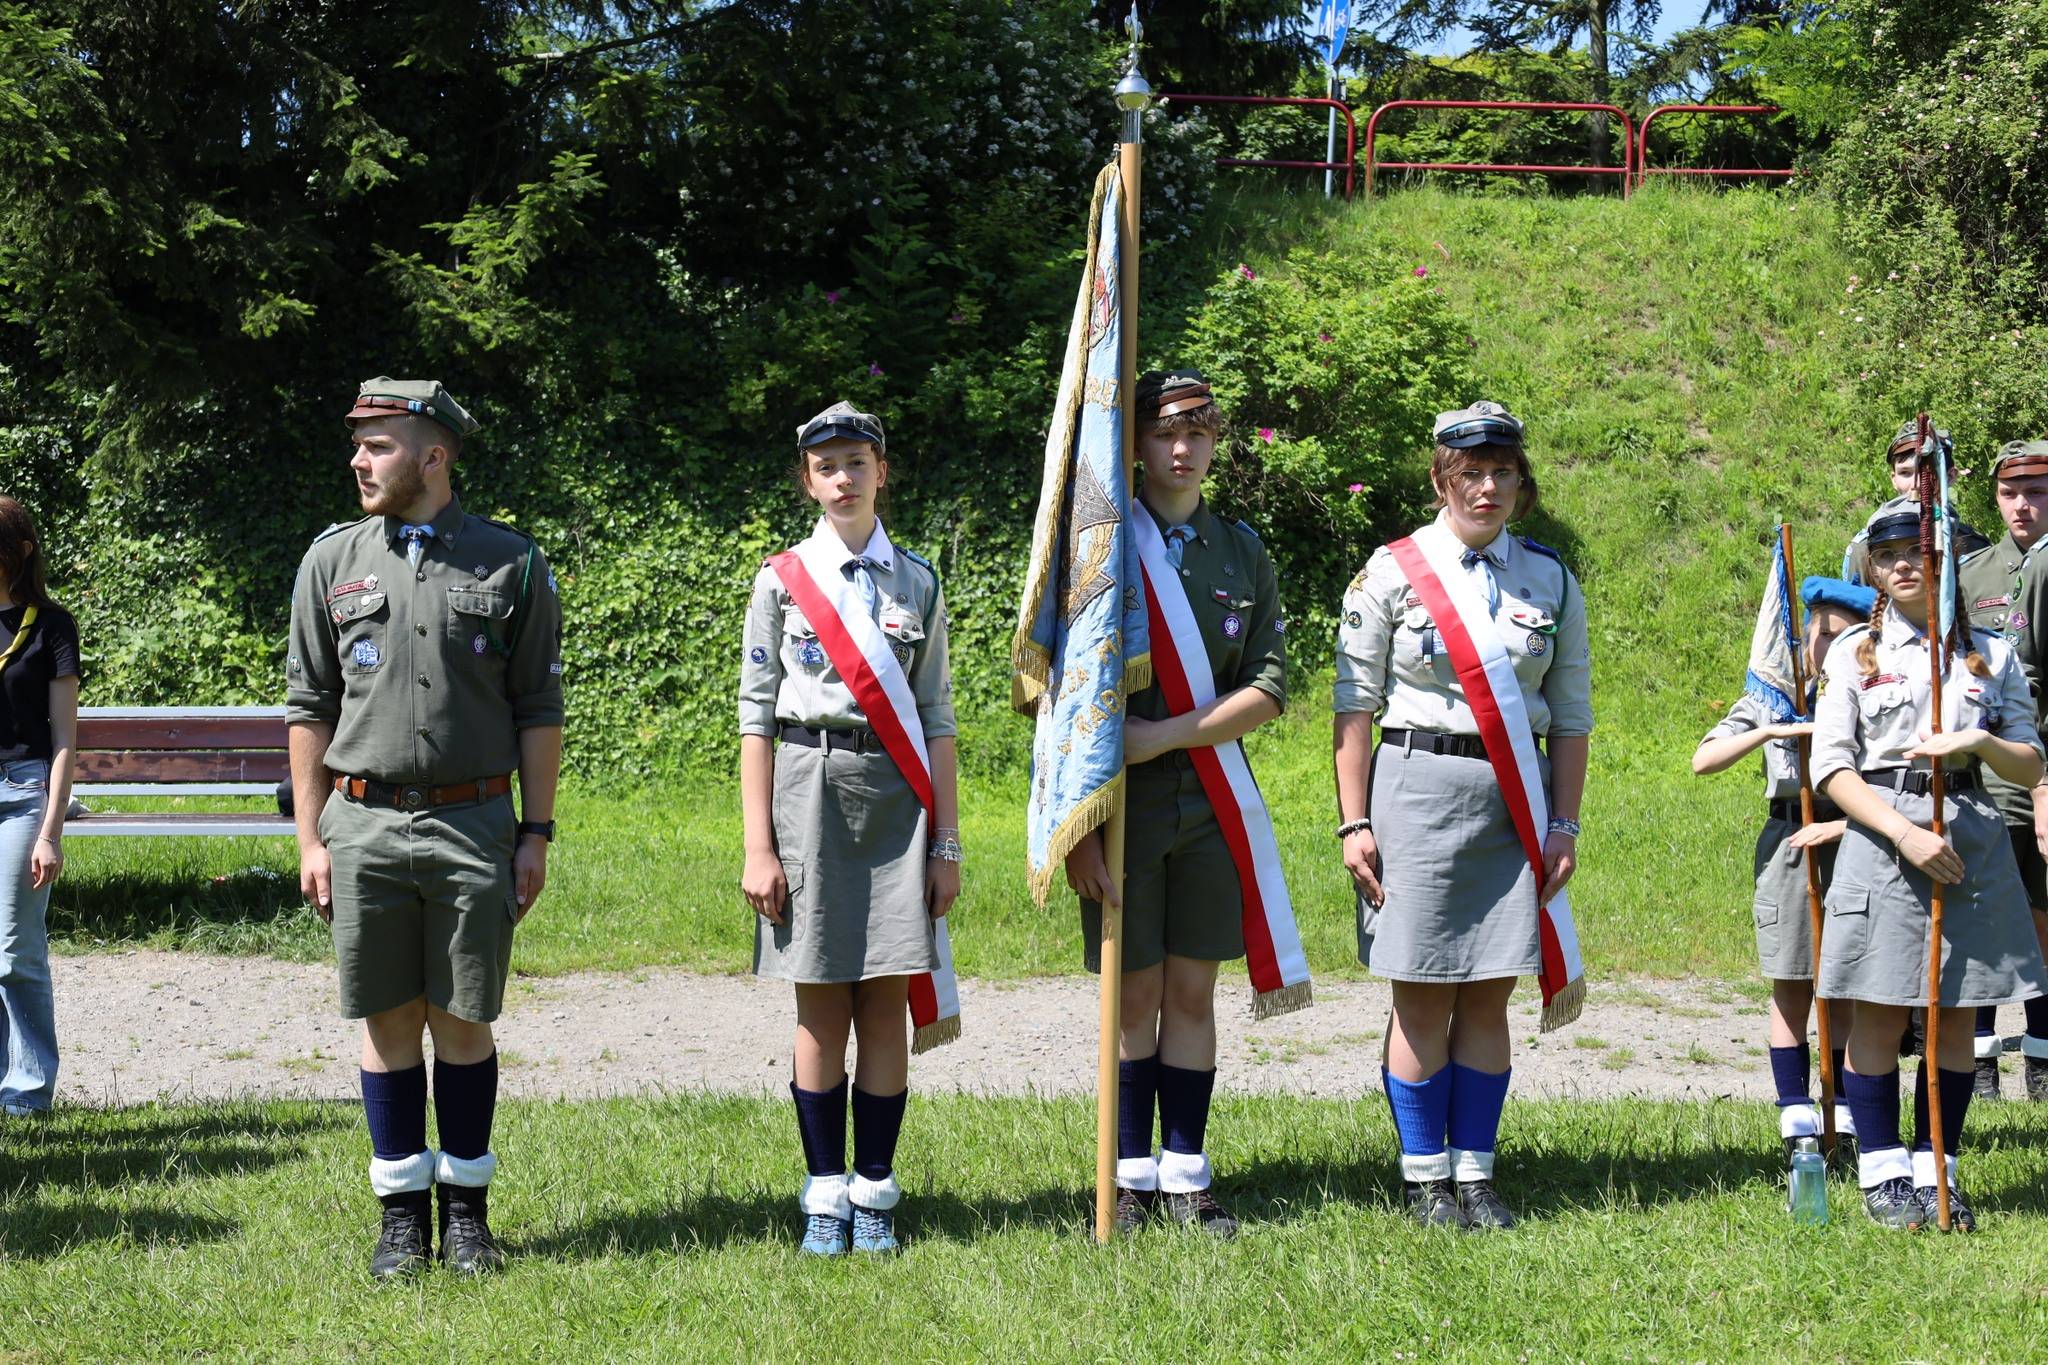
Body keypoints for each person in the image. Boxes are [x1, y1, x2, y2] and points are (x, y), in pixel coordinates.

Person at [286, 378, 564, 1278]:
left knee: (464, 1017)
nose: (358, 460)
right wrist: (311, 839)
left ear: (434, 454)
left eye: (378, 445)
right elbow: (309, 706)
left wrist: (536, 831)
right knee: (388, 1018)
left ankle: (468, 1217)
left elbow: (538, 706)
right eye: (357, 442)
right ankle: (401, 1217)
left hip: (473, 823)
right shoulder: (330, 561)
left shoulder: (510, 562)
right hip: (362, 824)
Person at [1333, 400, 1591, 1230]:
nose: (1487, 488)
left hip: (1512, 803)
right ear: (1441, 479)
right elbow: (1353, 706)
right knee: (1420, 993)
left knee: (1487, 994)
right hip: (1414, 794)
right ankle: (1424, 1180)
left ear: (1521, 481)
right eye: (1470, 473)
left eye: (1502, 473)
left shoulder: (1549, 577)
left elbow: (1571, 715)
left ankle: (1475, 1174)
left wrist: (1563, 823)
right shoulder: (1391, 571)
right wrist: (1354, 822)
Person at [1062, 370, 1292, 1240]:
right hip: (1122, 806)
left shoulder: (1241, 552)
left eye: (1197, 432)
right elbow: (1066, 702)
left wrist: (1162, 736)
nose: (1182, 449)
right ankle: (1127, 1177)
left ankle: (1187, 1174)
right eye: (1164, 433)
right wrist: (1079, 829)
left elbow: (1267, 687)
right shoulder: (1102, 548)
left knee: (1193, 991)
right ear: (1136, 446)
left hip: (1213, 800)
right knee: (1134, 995)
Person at [738, 401, 961, 1257]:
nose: (843, 479)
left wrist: (946, 843)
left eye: (857, 463)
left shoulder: (918, 583)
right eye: (826, 466)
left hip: (898, 799)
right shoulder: (781, 581)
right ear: (808, 481)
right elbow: (756, 718)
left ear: (881, 471)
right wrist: (759, 846)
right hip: (808, 790)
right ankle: (824, 1192)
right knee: (820, 998)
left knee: (884, 1003)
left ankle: (874, 1192)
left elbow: (936, 719)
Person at [1813, 502, 2047, 1231]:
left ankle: (1935, 1164)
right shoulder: (1853, 652)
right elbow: (1831, 767)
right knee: (1881, 1008)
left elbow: (2030, 760)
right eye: (1887, 556)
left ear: (1943, 561)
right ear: (1874, 571)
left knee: (1955, 1012)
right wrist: (1902, 834)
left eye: (1916, 551)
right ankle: (1883, 1171)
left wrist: (1977, 742)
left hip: (1969, 831)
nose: (1902, 565)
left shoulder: (1991, 653)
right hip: (1884, 834)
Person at [1692, 576, 1869, 1158]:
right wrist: (1769, 729)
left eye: (1844, 637)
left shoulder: (1868, 695)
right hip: (1790, 842)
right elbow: (1703, 760)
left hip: (1856, 837)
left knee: (1844, 989)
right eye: (1822, 634)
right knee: (1792, 985)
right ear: (1803, 637)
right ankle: (1797, 1122)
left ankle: (1843, 1117)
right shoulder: (1773, 697)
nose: (1829, 647)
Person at [1956, 439, 2048, 1100]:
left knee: (2044, 919)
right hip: (1986, 774)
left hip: (2041, 771)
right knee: (1983, 916)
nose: (2022, 505)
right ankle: (1980, 1058)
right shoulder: (1974, 573)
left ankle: (2041, 1058)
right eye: (2010, 493)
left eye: (2036, 492)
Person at [0, 497, 78, 1118]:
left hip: (24, 794)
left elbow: (64, 739)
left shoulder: (51, 626)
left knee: (13, 949)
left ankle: (26, 1095)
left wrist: (50, 831)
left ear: (19, 552)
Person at [1841, 422, 1989, 587]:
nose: (1916, 484)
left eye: (1928, 473)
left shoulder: (1974, 546)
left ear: (1950, 476)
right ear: (1894, 479)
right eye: (1905, 473)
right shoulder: (1865, 548)